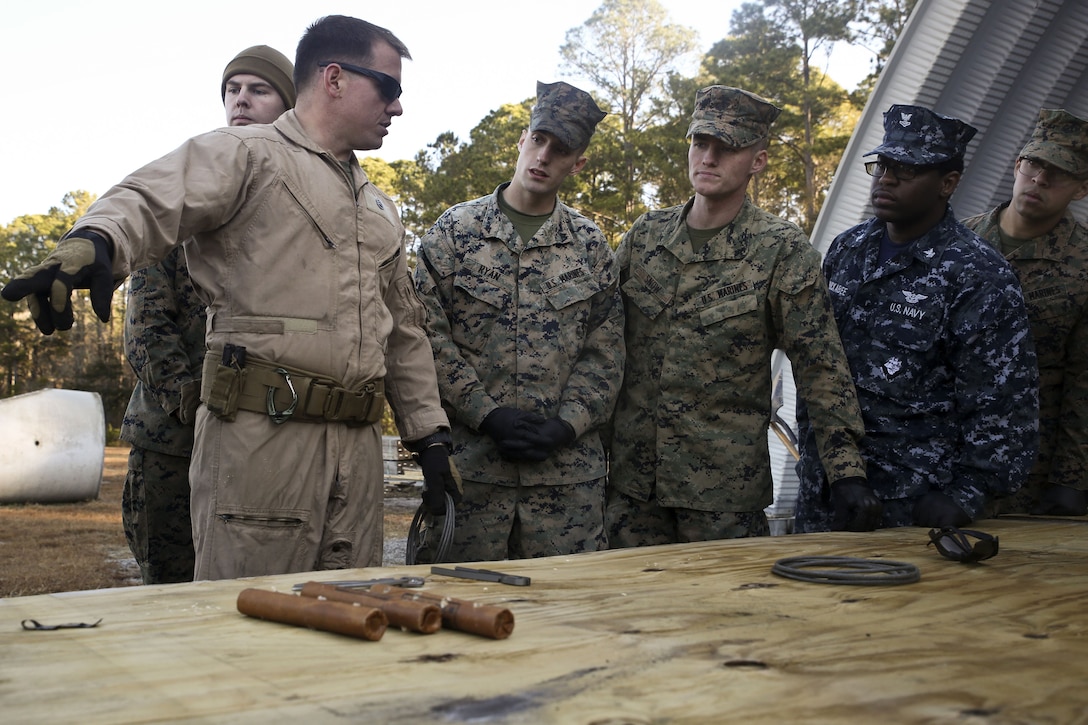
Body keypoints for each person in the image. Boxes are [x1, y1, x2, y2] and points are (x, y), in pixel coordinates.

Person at [2, 15, 459, 581]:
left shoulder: (380, 207)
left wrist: (428, 436)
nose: (397, 107)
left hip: (358, 457)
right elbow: (153, 197)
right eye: (388, 88)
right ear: (335, 78)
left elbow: (404, 333)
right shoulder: (248, 154)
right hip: (263, 448)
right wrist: (95, 243)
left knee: (350, 626)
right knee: (245, 628)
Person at [606, 85, 870, 546]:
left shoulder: (781, 251)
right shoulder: (644, 238)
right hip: (632, 493)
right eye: (700, 143)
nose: (708, 157)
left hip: (721, 500)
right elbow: (599, 342)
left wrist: (845, 471)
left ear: (758, 160)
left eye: (727, 148)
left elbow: (821, 368)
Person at [795, 104, 1040, 532]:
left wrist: (967, 496)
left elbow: (1003, 405)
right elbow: (817, 363)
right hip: (827, 491)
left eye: (906, 170)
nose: (886, 177)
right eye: (883, 164)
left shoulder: (977, 274)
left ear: (948, 183)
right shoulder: (847, 250)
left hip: (910, 506)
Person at [413, 81, 623, 561]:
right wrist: (486, 414)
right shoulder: (455, 233)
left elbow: (606, 354)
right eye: (539, 139)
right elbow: (425, 340)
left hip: (565, 486)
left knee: (567, 620)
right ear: (522, 140)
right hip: (472, 475)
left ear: (578, 163)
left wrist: (566, 427)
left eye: (561, 148)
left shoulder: (590, 246)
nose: (544, 156)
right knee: (458, 616)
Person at [119, 45, 296, 585]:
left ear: (289, 105)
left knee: (250, 587)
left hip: (259, 442)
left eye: (258, 90)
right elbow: (147, 328)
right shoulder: (187, 195)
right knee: (171, 591)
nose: (240, 100)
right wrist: (201, 407)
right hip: (174, 441)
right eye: (232, 89)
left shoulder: (293, 204)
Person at [963, 108, 1088, 516]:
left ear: (1082, 189)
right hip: (944, 461)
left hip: (1031, 470)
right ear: (1017, 163)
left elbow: (1083, 383)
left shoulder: (1083, 263)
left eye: (1060, 172)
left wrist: (1071, 481)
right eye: (1034, 163)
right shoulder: (955, 242)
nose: (1040, 180)